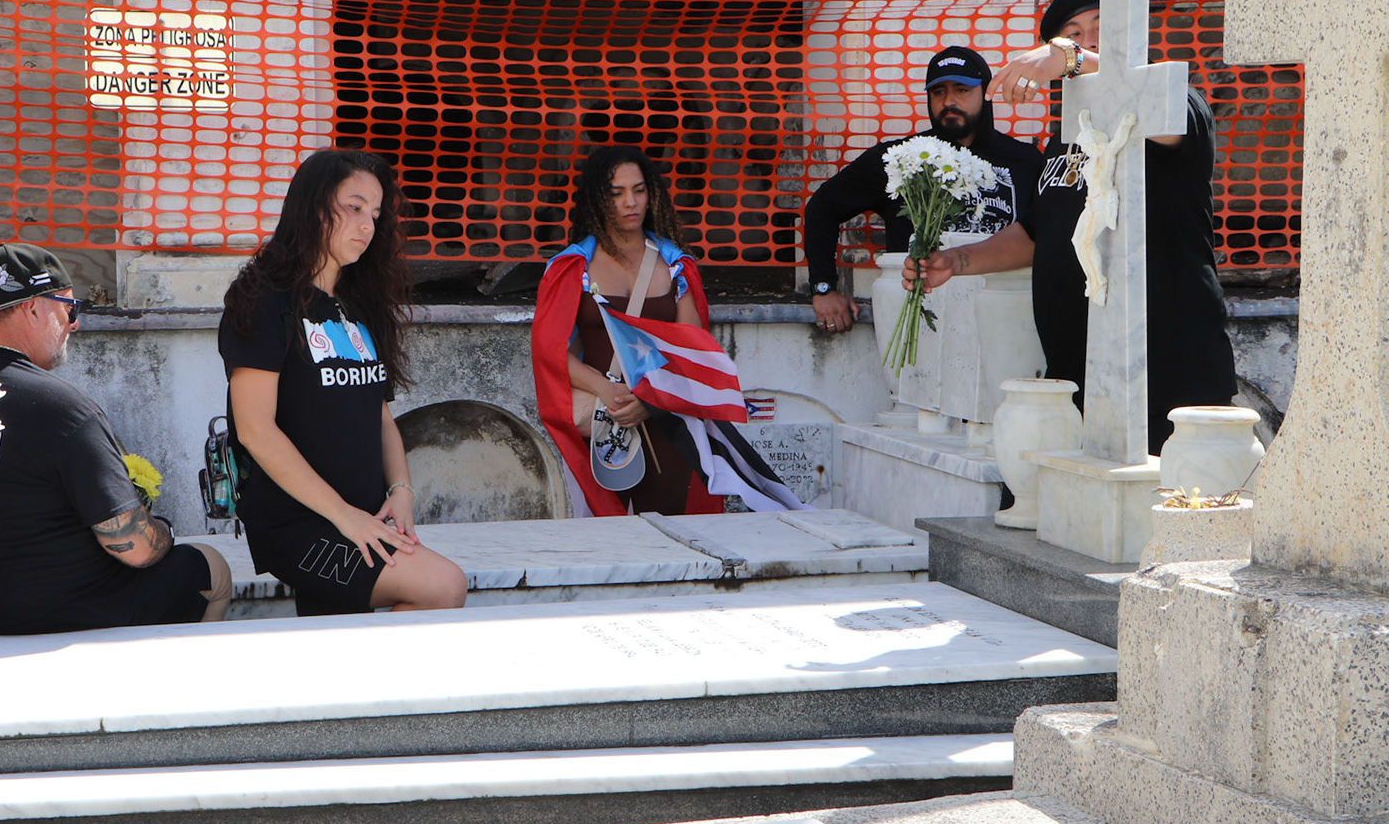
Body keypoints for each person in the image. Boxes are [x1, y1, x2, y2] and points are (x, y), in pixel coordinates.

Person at [907, 0, 1237, 451]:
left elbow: (1160, 109)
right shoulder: (1069, 136)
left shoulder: (1172, 102)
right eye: (1074, 34)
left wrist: (1072, 57)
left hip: (1168, 375)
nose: (1089, 41)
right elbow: (1039, 232)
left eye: (1102, 27)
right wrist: (956, 261)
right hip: (1077, 376)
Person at [0, 243, 233, 634]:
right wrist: (164, 532)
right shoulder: (60, 406)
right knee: (211, 568)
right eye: (70, 309)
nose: (74, 324)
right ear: (33, 308)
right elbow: (135, 548)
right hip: (59, 620)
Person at [218, 149, 466, 616]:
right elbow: (255, 430)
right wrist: (344, 516)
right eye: (354, 207)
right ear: (313, 207)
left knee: (338, 636)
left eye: (375, 214)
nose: (367, 225)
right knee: (442, 586)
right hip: (300, 525)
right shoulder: (262, 299)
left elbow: (379, 414)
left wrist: (401, 490)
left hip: (362, 517)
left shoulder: (358, 302)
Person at [533, 146, 802, 517]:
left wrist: (650, 402)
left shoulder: (675, 265)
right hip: (603, 423)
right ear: (596, 200)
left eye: (639, 190)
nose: (631, 203)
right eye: (616, 193)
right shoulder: (570, 268)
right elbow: (549, 352)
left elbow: (691, 350)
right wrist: (607, 391)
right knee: (603, 534)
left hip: (669, 424)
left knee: (675, 529)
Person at [803, 46, 1042, 334]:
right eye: (938, 92)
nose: (949, 101)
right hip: (918, 317)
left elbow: (1044, 235)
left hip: (1003, 316)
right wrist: (823, 288)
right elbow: (822, 208)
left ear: (985, 92)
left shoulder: (1026, 161)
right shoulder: (901, 158)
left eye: (962, 90)